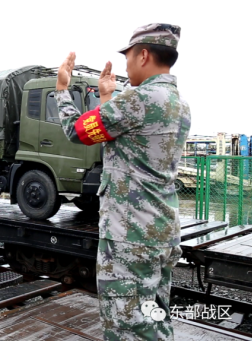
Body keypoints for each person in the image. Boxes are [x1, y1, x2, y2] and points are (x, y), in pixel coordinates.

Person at [54, 23, 191, 340]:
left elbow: (79, 131)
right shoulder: (179, 104)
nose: (126, 64)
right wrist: (106, 97)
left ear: (143, 55)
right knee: (153, 319)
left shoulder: (138, 100)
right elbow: (125, 140)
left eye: (128, 56)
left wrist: (62, 90)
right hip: (161, 233)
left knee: (127, 328)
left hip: (131, 238)